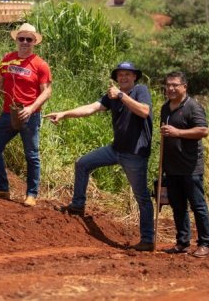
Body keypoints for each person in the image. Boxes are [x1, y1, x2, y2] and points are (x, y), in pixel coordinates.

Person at [44, 61, 155, 252]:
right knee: (83, 164)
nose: (124, 77)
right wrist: (64, 114)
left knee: (142, 197)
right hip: (115, 149)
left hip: (135, 154)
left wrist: (120, 96)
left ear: (135, 76)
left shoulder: (140, 91)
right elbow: (91, 108)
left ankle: (147, 239)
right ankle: (78, 205)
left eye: (127, 74)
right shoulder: (112, 96)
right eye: (120, 75)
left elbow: (144, 111)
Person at [0, 23, 52, 207]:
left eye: (28, 39)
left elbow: (46, 91)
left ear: (34, 42)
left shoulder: (40, 64)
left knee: (31, 155)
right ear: (16, 40)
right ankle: (2, 188)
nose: (24, 42)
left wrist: (31, 108)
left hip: (29, 116)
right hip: (8, 112)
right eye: (21, 38)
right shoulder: (8, 59)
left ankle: (31, 194)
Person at [159, 70, 209, 258]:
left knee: (198, 206)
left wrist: (178, 132)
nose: (171, 88)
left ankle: (205, 243)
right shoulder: (165, 108)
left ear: (184, 87)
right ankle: (182, 243)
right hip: (171, 167)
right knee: (178, 206)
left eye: (175, 85)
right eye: (168, 85)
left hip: (191, 167)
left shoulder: (193, 107)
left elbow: (203, 131)